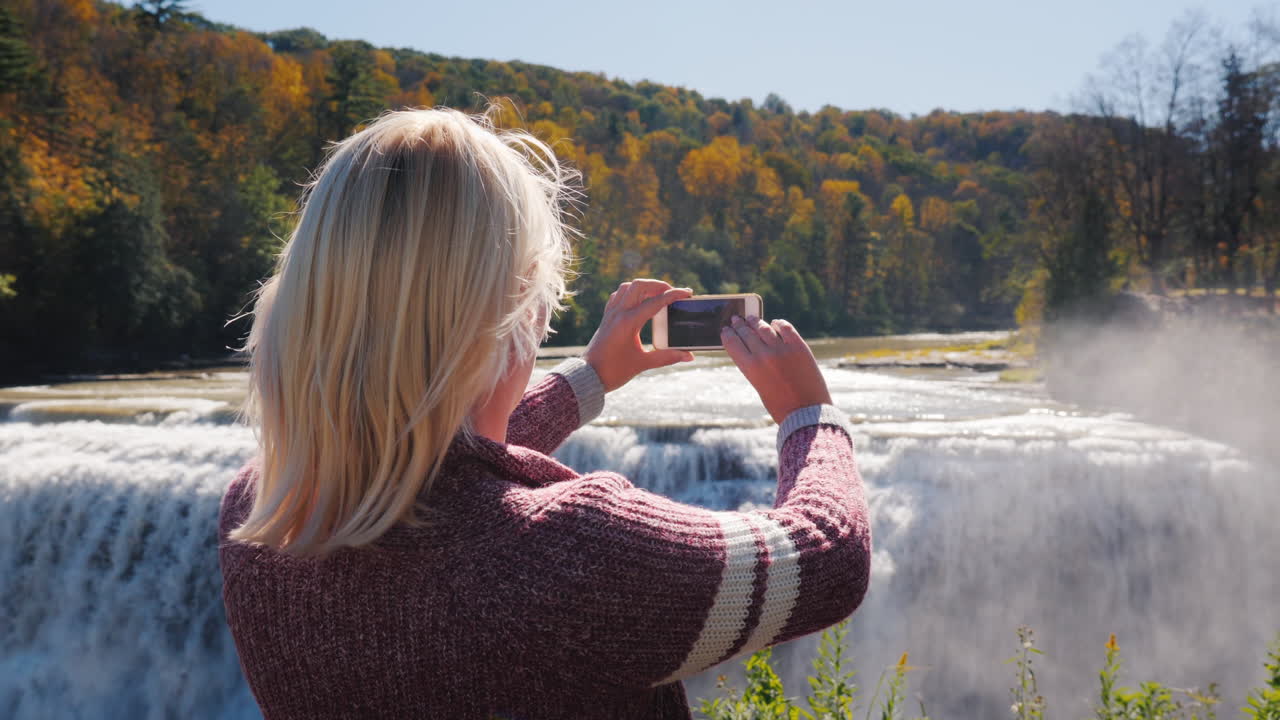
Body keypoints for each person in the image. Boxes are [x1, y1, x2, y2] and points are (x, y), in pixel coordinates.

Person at [218, 106, 872, 720]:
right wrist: (809, 416)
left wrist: (591, 378)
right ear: (515, 315)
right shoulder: (569, 557)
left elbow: (436, 461)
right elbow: (828, 559)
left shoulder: (264, 507)